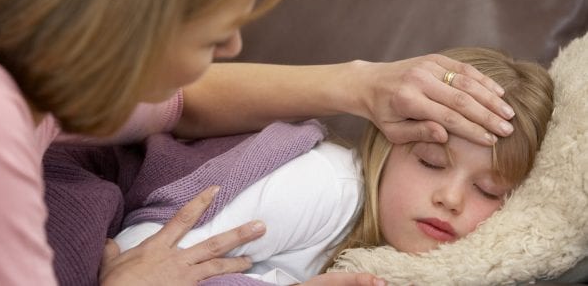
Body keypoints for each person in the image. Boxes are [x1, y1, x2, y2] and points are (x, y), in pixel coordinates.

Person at [0, 0, 516, 284]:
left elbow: (181, 105)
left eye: (492, 191)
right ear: (123, 24)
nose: (234, 46)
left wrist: (362, 86)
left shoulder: (37, 75)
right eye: (212, 34)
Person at [114, 47, 554, 285]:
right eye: (430, 162)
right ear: (387, 143)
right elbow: (143, 254)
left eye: (489, 191)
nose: (451, 198)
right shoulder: (326, 184)